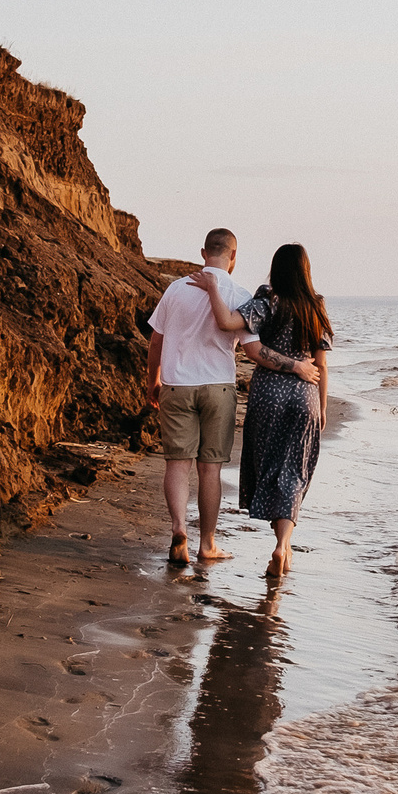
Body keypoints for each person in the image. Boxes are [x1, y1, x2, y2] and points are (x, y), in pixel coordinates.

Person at [145, 229, 316, 569]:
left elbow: (156, 341)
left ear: (203, 252)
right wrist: (297, 366)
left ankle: (178, 530)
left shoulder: (176, 289)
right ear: (233, 256)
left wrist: (154, 380)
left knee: (177, 464)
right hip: (219, 388)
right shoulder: (239, 295)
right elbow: (253, 349)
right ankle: (207, 544)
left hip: (176, 385)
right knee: (210, 470)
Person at [184, 241, 330, 578]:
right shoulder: (316, 306)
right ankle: (283, 545)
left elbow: (228, 323)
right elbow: (321, 363)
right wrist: (321, 406)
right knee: (293, 472)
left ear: (276, 269)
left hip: (268, 396)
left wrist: (212, 288)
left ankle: (280, 545)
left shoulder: (267, 300)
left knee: (269, 467)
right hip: (306, 396)